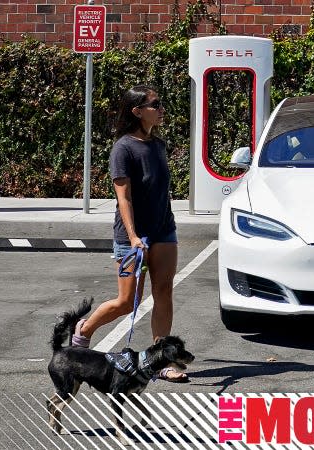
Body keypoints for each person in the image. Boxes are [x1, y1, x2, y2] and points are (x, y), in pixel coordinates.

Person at [71, 85, 187, 382]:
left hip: (164, 230)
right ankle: (83, 330)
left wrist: (165, 223)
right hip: (131, 236)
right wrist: (134, 237)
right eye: (155, 104)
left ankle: (162, 360)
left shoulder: (157, 145)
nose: (162, 109)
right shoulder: (123, 148)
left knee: (164, 292)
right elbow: (124, 198)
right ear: (137, 111)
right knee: (127, 302)